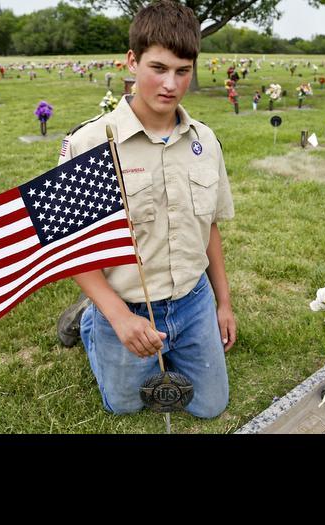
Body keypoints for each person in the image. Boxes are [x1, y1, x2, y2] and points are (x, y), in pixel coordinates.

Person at [56, 0, 236, 419]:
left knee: (211, 406)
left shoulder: (205, 141)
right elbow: (72, 246)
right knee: (124, 406)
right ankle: (91, 320)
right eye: (158, 68)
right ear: (132, 61)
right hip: (126, 302)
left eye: (183, 71)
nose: (171, 84)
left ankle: (174, 339)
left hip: (192, 301)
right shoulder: (91, 143)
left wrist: (222, 304)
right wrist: (117, 317)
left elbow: (209, 227)